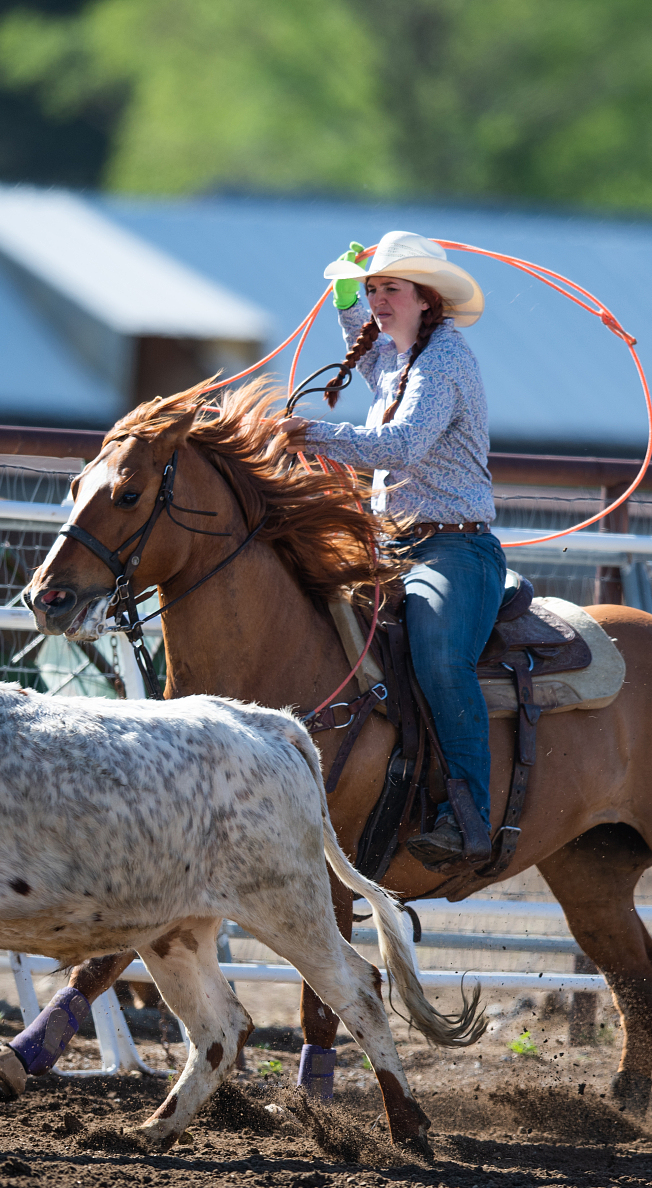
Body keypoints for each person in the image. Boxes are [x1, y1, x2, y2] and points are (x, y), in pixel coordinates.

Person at [273, 231, 501, 866]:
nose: (378, 299)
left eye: (390, 288)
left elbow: (401, 446)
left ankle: (469, 813)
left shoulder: (444, 360)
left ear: (426, 298)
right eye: (373, 288)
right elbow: (362, 337)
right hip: (396, 546)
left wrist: (310, 433)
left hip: (453, 551)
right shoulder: (400, 359)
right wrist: (348, 292)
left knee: (440, 659)